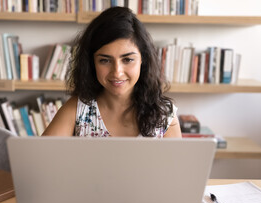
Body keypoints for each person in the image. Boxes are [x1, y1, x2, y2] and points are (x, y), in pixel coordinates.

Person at [42, 6, 181, 138]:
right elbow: (39, 158)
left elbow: (177, 164)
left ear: (143, 59)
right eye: (105, 60)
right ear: (92, 63)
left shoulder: (164, 115)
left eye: (127, 60)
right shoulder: (76, 109)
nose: (117, 72)